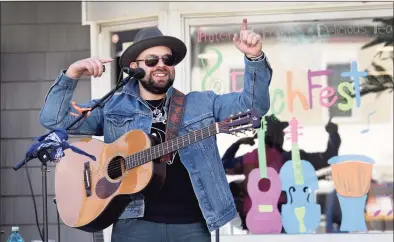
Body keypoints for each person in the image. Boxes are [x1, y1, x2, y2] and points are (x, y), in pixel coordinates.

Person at [39, 18, 272, 242]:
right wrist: (72, 75)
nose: (161, 65)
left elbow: (253, 107)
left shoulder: (202, 103)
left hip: (192, 225)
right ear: (134, 67)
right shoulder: (111, 107)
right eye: (151, 60)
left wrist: (254, 58)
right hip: (133, 224)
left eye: (167, 60)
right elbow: (54, 120)